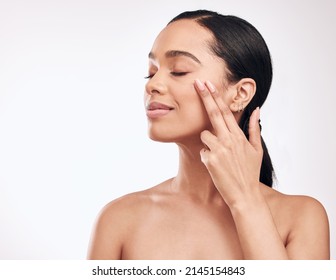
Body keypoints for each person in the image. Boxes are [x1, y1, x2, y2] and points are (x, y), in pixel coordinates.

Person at [87, 10, 330, 259]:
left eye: (179, 71)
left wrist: (245, 202)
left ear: (240, 94)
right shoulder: (119, 220)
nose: (152, 85)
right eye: (151, 72)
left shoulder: (302, 218)